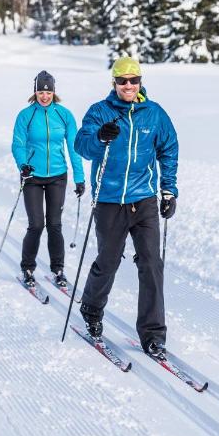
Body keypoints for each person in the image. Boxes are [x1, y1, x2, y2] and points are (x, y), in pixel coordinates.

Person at [74, 56, 178, 360]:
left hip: (143, 198)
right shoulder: (100, 111)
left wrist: (168, 190)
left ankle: (153, 334)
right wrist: (99, 137)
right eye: (122, 81)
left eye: (133, 80)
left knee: (152, 263)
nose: (128, 85)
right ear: (114, 83)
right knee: (108, 260)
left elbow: (168, 150)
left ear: (140, 82)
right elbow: (82, 146)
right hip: (109, 199)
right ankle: (91, 309)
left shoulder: (154, 114)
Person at [12, 70, 85, 289]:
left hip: (57, 176)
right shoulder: (26, 115)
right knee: (36, 224)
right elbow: (17, 144)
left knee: (55, 224)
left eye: (49, 92)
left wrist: (79, 178)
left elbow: (74, 148)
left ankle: (58, 270)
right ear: (35, 92)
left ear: (54, 92)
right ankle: (27, 268)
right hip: (32, 176)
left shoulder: (64, 115)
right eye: (41, 92)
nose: (45, 96)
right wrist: (23, 165)